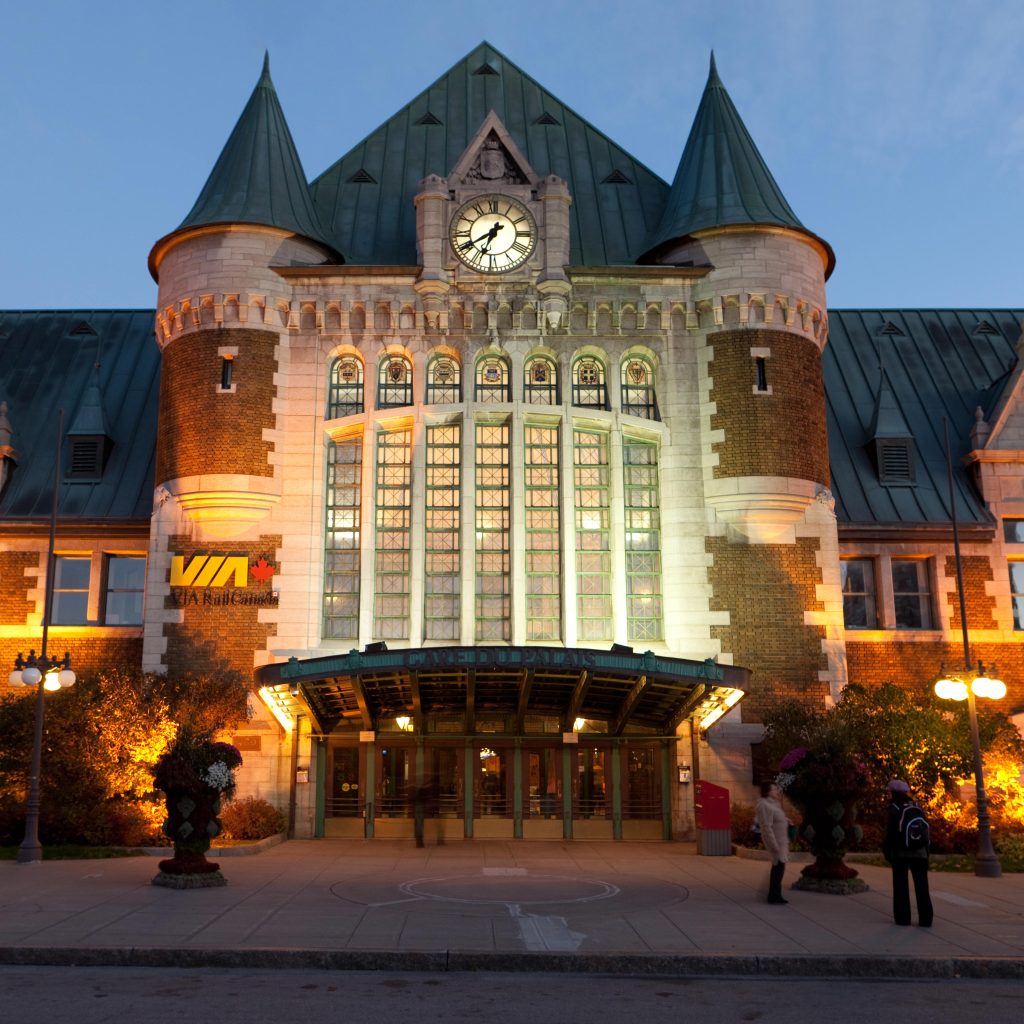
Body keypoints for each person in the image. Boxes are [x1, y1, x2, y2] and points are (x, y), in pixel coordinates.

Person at [882, 778, 933, 927]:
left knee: (900, 886)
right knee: (922, 885)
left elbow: (890, 832)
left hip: (901, 853)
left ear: (892, 792)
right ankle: (926, 919)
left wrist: (888, 850)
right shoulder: (916, 806)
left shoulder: (893, 808)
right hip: (920, 853)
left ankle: (903, 918)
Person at [754, 780, 791, 904]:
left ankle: (776, 894)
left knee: (780, 867)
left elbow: (777, 817)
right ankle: (774, 896)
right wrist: (773, 844)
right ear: (768, 792)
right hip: (776, 841)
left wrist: (786, 820)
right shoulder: (764, 805)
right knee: (778, 867)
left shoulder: (774, 804)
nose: (777, 791)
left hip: (781, 840)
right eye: (774, 789)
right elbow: (766, 826)